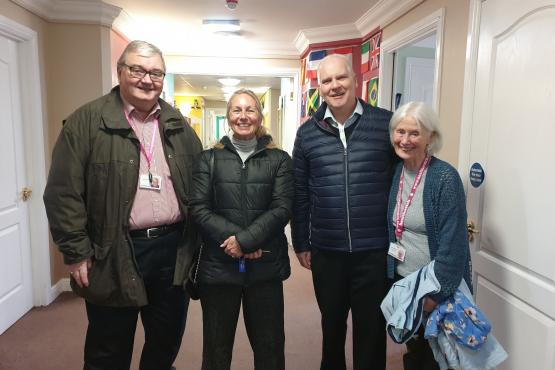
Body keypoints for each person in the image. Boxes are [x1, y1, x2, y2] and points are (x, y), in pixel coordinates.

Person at [43, 40, 202, 370]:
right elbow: (63, 193)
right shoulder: (85, 123)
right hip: (113, 250)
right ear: (120, 72)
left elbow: (200, 187)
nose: (147, 79)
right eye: (138, 69)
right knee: (108, 348)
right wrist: (75, 252)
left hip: (173, 250)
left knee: (166, 339)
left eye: (156, 72)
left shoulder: (179, 126)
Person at [291, 54, 397, 370]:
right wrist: (301, 242)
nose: (335, 86)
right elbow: (299, 192)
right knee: (332, 328)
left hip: (374, 251)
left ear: (354, 79)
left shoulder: (385, 123)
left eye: (341, 78)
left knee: (372, 331)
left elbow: (403, 180)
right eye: (327, 80)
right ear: (319, 87)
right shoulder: (307, 132)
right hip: (327, 252)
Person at [190, 89, 293, 370]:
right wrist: (237, 242)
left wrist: (246, 241)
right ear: (228, 116)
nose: (243, 116)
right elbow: (198, 208)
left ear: (260, 116)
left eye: (250, 110)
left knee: (270, 348)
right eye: (237, 110)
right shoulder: (208, 158)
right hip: (219, 267)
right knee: (216, 350)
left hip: (265, 267)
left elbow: (282, 208)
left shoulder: (280, 160)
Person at [386, 101, 472, 370]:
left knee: (439, 357)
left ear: (430, 138)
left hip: (433, 288)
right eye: (400, 132)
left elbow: (454, 244)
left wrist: (435, 295)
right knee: (416, 350)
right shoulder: (398, 171)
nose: (405, 140)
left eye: (414, 133)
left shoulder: (444, 178)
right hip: (407, 281)